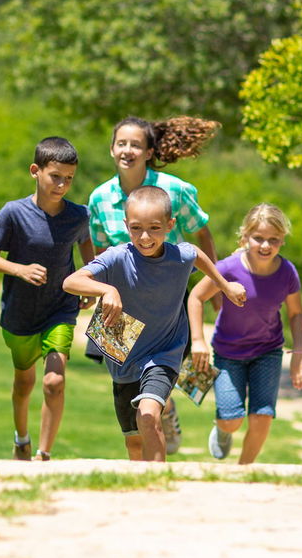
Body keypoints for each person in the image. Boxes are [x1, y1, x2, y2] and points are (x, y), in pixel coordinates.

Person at [63, 186, 246, 461]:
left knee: (148, 416)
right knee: (134, 443)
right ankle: (142, 485)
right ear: (126, 225)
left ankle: (159, 482)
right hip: (123, 353)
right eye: (136, 228)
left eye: (154, 228)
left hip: (164, 353)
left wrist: (225, 286)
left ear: (170, 225)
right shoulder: (117, 256)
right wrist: (107, 290)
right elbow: (70, 282)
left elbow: (196, 252)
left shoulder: (178, 257)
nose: (145, 236)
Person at [87, 115, 221, 452]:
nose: (128, 150)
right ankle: (159, 416)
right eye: (122, 143)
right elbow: (100, 249)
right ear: (112, 148)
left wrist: (216, 288)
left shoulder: (174, 190)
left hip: (169, 293)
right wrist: (98, 291)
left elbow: (201, 232)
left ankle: (168, 411)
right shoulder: (99, 197)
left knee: (187, 370)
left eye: (136, 144)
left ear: (149, 151)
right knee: (126, 381)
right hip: (123, 299)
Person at [0, 137, 96, 461]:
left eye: (68, 179)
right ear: (36, 171)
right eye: (55, 176)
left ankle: (44, 454)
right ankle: (21, 439)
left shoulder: (78, 215)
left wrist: (88, 283)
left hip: (60, 308)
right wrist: (19, 269)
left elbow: (88, 253)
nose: (62, 184)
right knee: (23, 382)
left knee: (54, 381)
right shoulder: (13, 213)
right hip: (19, 313)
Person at [188, 204, 302, 464]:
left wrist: (299, 353)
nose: (266, 245)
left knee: (263, 414)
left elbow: (297, 314)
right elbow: (196, 297)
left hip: (268, 351)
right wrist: (198, 340)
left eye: (273, 240)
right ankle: (222, 429)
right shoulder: (229, 267)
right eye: (258, 238)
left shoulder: (287, 272)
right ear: (245, 238)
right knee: (232, 421)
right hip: (228, 352)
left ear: (282, 241)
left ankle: (244, 470)